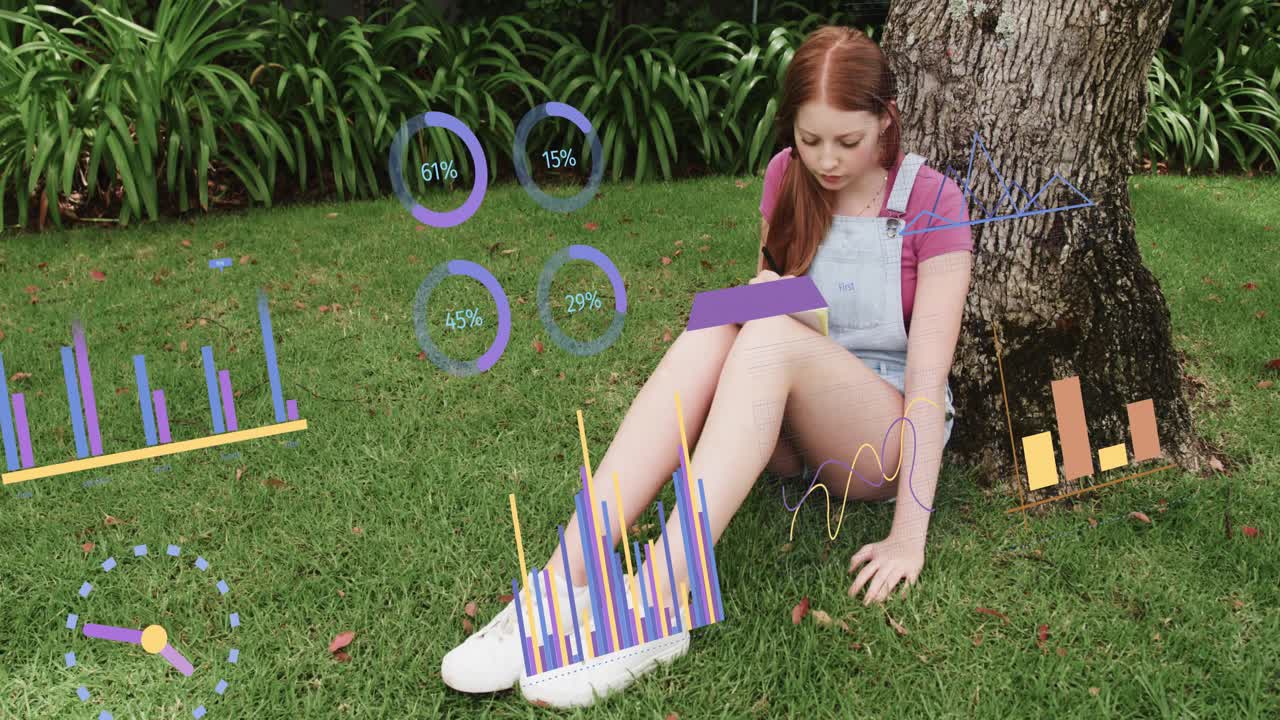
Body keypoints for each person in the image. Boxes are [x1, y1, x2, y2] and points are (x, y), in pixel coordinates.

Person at [440, 24, 973, 709]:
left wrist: (908, 537)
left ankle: (660, 601)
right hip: (787, 414)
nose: (827, 162)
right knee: (725, 323)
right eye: (811, 141)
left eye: (848, 141)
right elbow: (771, 295)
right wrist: (759, 297)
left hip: (882, 431)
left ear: (886, 121)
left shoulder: (935, 201)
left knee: (767, 332)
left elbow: (927, 386)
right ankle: (564, 580)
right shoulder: (787, 176)